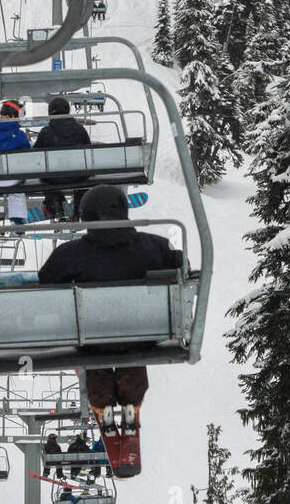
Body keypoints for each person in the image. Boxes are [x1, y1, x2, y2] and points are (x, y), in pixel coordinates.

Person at [37, 185, 182, 454]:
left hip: (92, 338)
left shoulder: (70, 254)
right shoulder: (156, 247)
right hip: (142, 335)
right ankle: (132, 401)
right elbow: (179, 270)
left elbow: (46, 281)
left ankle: (102, 404)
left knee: (95, 355)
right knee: (131, 349)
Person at [34, 95, 93, 219]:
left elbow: (36, 155)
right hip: (78, 175)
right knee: (82, 181)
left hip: (54, 177)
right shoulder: (79, 129)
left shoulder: (46, 132)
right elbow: (88, 150)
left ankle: (56, 201)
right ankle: (78, 207)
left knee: (45, 178)